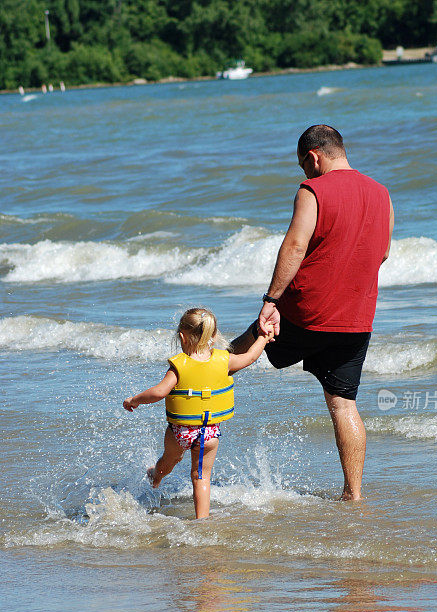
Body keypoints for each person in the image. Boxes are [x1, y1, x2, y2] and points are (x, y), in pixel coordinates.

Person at [232, 124, 394, 501]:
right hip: (357, 316)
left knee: (244, 346)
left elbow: (295, 245)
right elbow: (382, 253)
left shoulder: (313, 189)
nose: (304, 174)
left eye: (303, 166)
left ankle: (185, 391)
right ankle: (353, 495)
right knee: (343, 403)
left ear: (314, 156)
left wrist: (271, 301)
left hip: (308, 310)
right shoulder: (383, 194)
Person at [123, 307, 274, 519]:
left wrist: (134, 400)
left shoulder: (179, 366)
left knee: (168, 461)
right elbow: (250, 357)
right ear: (213, 336)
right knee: (201, 477)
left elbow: (158, 392)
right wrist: (264, 338)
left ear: (182, 337)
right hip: (209, 433)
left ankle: (156, 478)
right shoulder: (224, 360)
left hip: (180, 432)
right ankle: (202, 521)